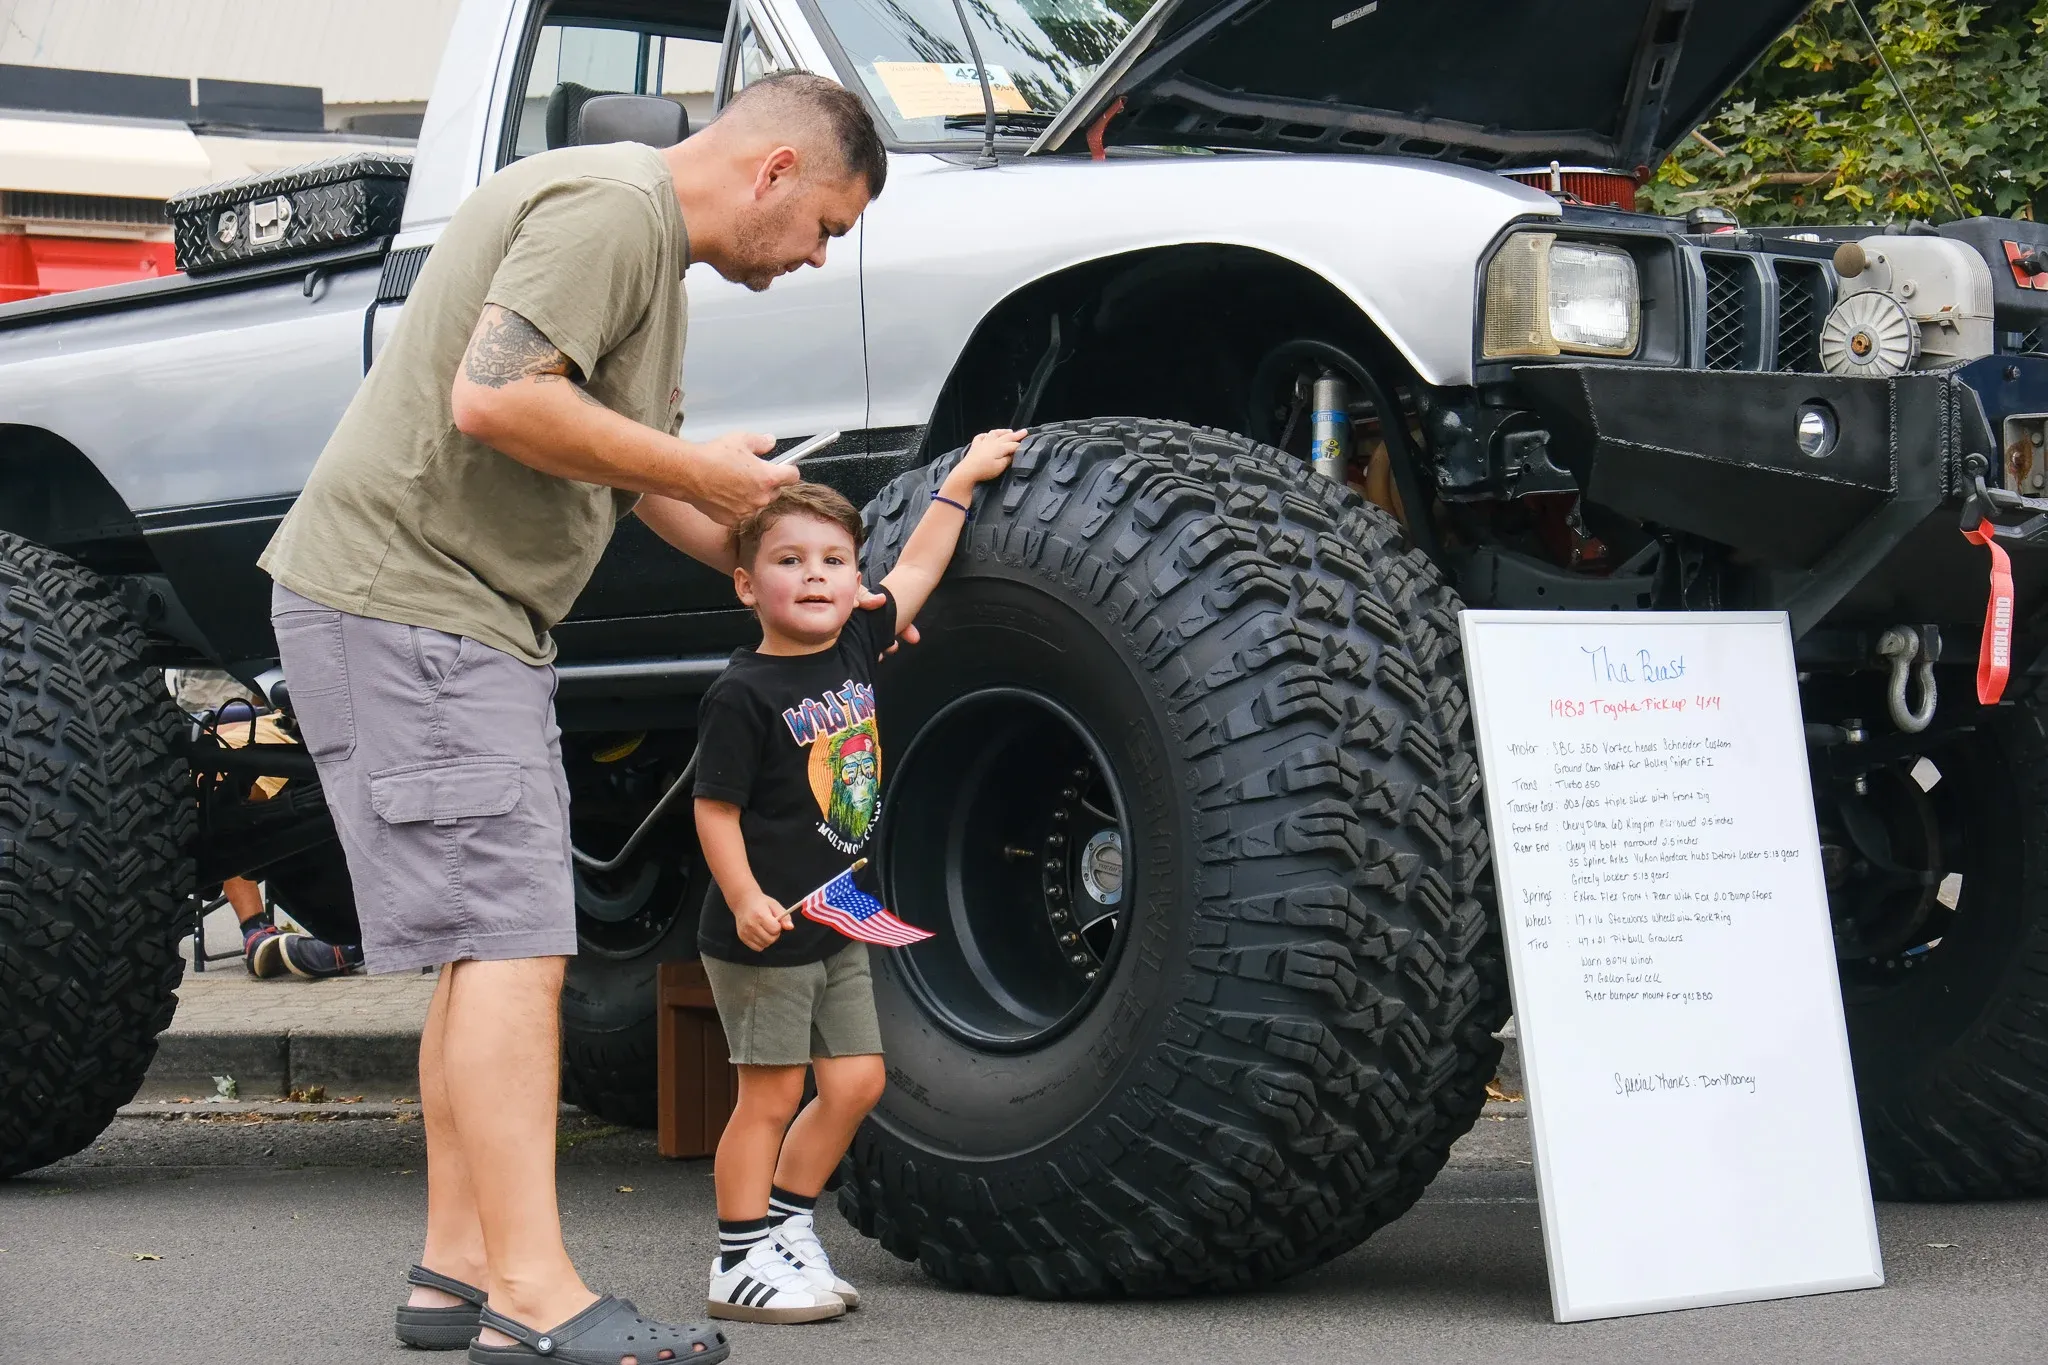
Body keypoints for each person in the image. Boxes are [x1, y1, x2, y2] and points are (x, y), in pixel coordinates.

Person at [255, 73, 890, 1360]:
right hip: (419, 610)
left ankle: (459, 1273)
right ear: (772, 171)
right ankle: (536, 1298)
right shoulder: (611, 211)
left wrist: (777, 565)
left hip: (427, 615)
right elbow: (496, 400)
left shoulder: (637, 254)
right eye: (827, 224)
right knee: (513, 949)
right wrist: (702, 465)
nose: (818, 256)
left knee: (480, 953)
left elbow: (617, 461)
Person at [692, 431, 1025, 1324]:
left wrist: (957, 481)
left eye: (835, 560)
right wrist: (744, 896)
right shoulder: (741, 694)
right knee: (767, 1095)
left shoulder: (856, 643)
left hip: (840, 913)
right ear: (745, 583)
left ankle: (787, 1223)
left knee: (856, 1083)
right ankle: (734, 1260)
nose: (815, 575)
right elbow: (713, 811)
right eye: (789, 559)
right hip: (763, 934)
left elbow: (918, 564)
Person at [167, 669, 361, 978]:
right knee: (214, 776)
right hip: (279, 713)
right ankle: (255, 929)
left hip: (334, 713)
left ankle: (356, 937)